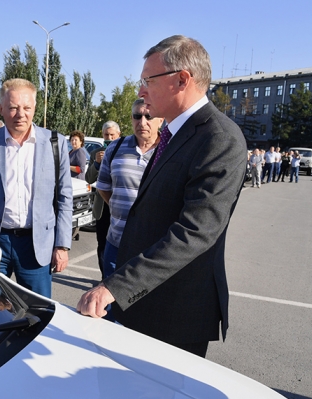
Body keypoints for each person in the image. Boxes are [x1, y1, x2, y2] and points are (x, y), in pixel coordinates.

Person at [77, 35, 247, 358]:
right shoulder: (172, 132)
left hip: (175, 314)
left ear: (182, 80)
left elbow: (193, 233)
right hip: (145, 302)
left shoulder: (219, 139)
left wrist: (116, 286)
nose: (141, 90)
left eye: (148, 80)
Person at [0, 78, 73, 298]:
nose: (20, 114)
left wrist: (62, 246)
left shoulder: (55, 143)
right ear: (1, 108)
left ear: (35, 108)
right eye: (13, 107)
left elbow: (64, 198)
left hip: (36, 245)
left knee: (37, 312)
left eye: (26, 108)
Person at [97, 98, 163, 281]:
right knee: (110, 304)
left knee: (146, 305)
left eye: (149, 116)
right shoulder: (115, 148)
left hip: (154, 248)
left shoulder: (170, 150)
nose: (142, 122)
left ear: (161, 119)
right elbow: (103, 188)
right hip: (116, 242)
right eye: (137, 116)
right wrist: (121, 209)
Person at [86, 121, 121, 275]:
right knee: (103, 243)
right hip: (102, 207)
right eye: (106, 135)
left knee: (120, 244)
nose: (109, 137)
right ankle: (104, 278)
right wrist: (97, 164)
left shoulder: (125, 150)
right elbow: (88, 178)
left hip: (121, 205)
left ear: (118, 135)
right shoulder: (96, 153)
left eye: (112, 135)